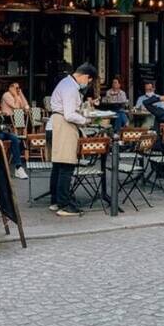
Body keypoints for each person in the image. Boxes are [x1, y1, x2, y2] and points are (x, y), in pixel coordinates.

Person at [48, 62, 96, 216]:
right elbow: (69, 114)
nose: (87, 83)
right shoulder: (70, 88)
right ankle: (64, 204)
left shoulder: (66, 83)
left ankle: (55, 200)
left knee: (58, 164)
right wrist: (86, 120)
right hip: (64, 124)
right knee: (66, 165)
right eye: (89, 80)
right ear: (85, 76)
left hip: (57, 123)